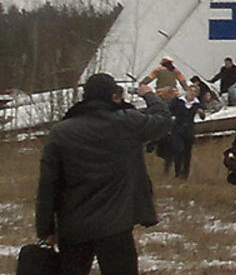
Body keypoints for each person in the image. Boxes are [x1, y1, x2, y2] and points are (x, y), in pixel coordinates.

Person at [35, 73, 172, 275]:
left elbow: (48, 185)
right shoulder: (127, 123)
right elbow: (163, 120)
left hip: (73, 226)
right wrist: (150, 95)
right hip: (116, 226)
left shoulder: (61, 132)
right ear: (113, 96)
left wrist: (45, 229)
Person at [166, 84, 206, 179]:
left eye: (195, 91)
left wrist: (201, 113)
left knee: (187, 153)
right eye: (191, 90)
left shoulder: (197, 104)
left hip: (189, 130)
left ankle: (185, 174)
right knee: (178, 149)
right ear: (187, 91)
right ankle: (177, 172)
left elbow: (203, 117)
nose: (192, 93)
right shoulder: (178, 101)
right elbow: (169, 111)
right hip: (177, 129)